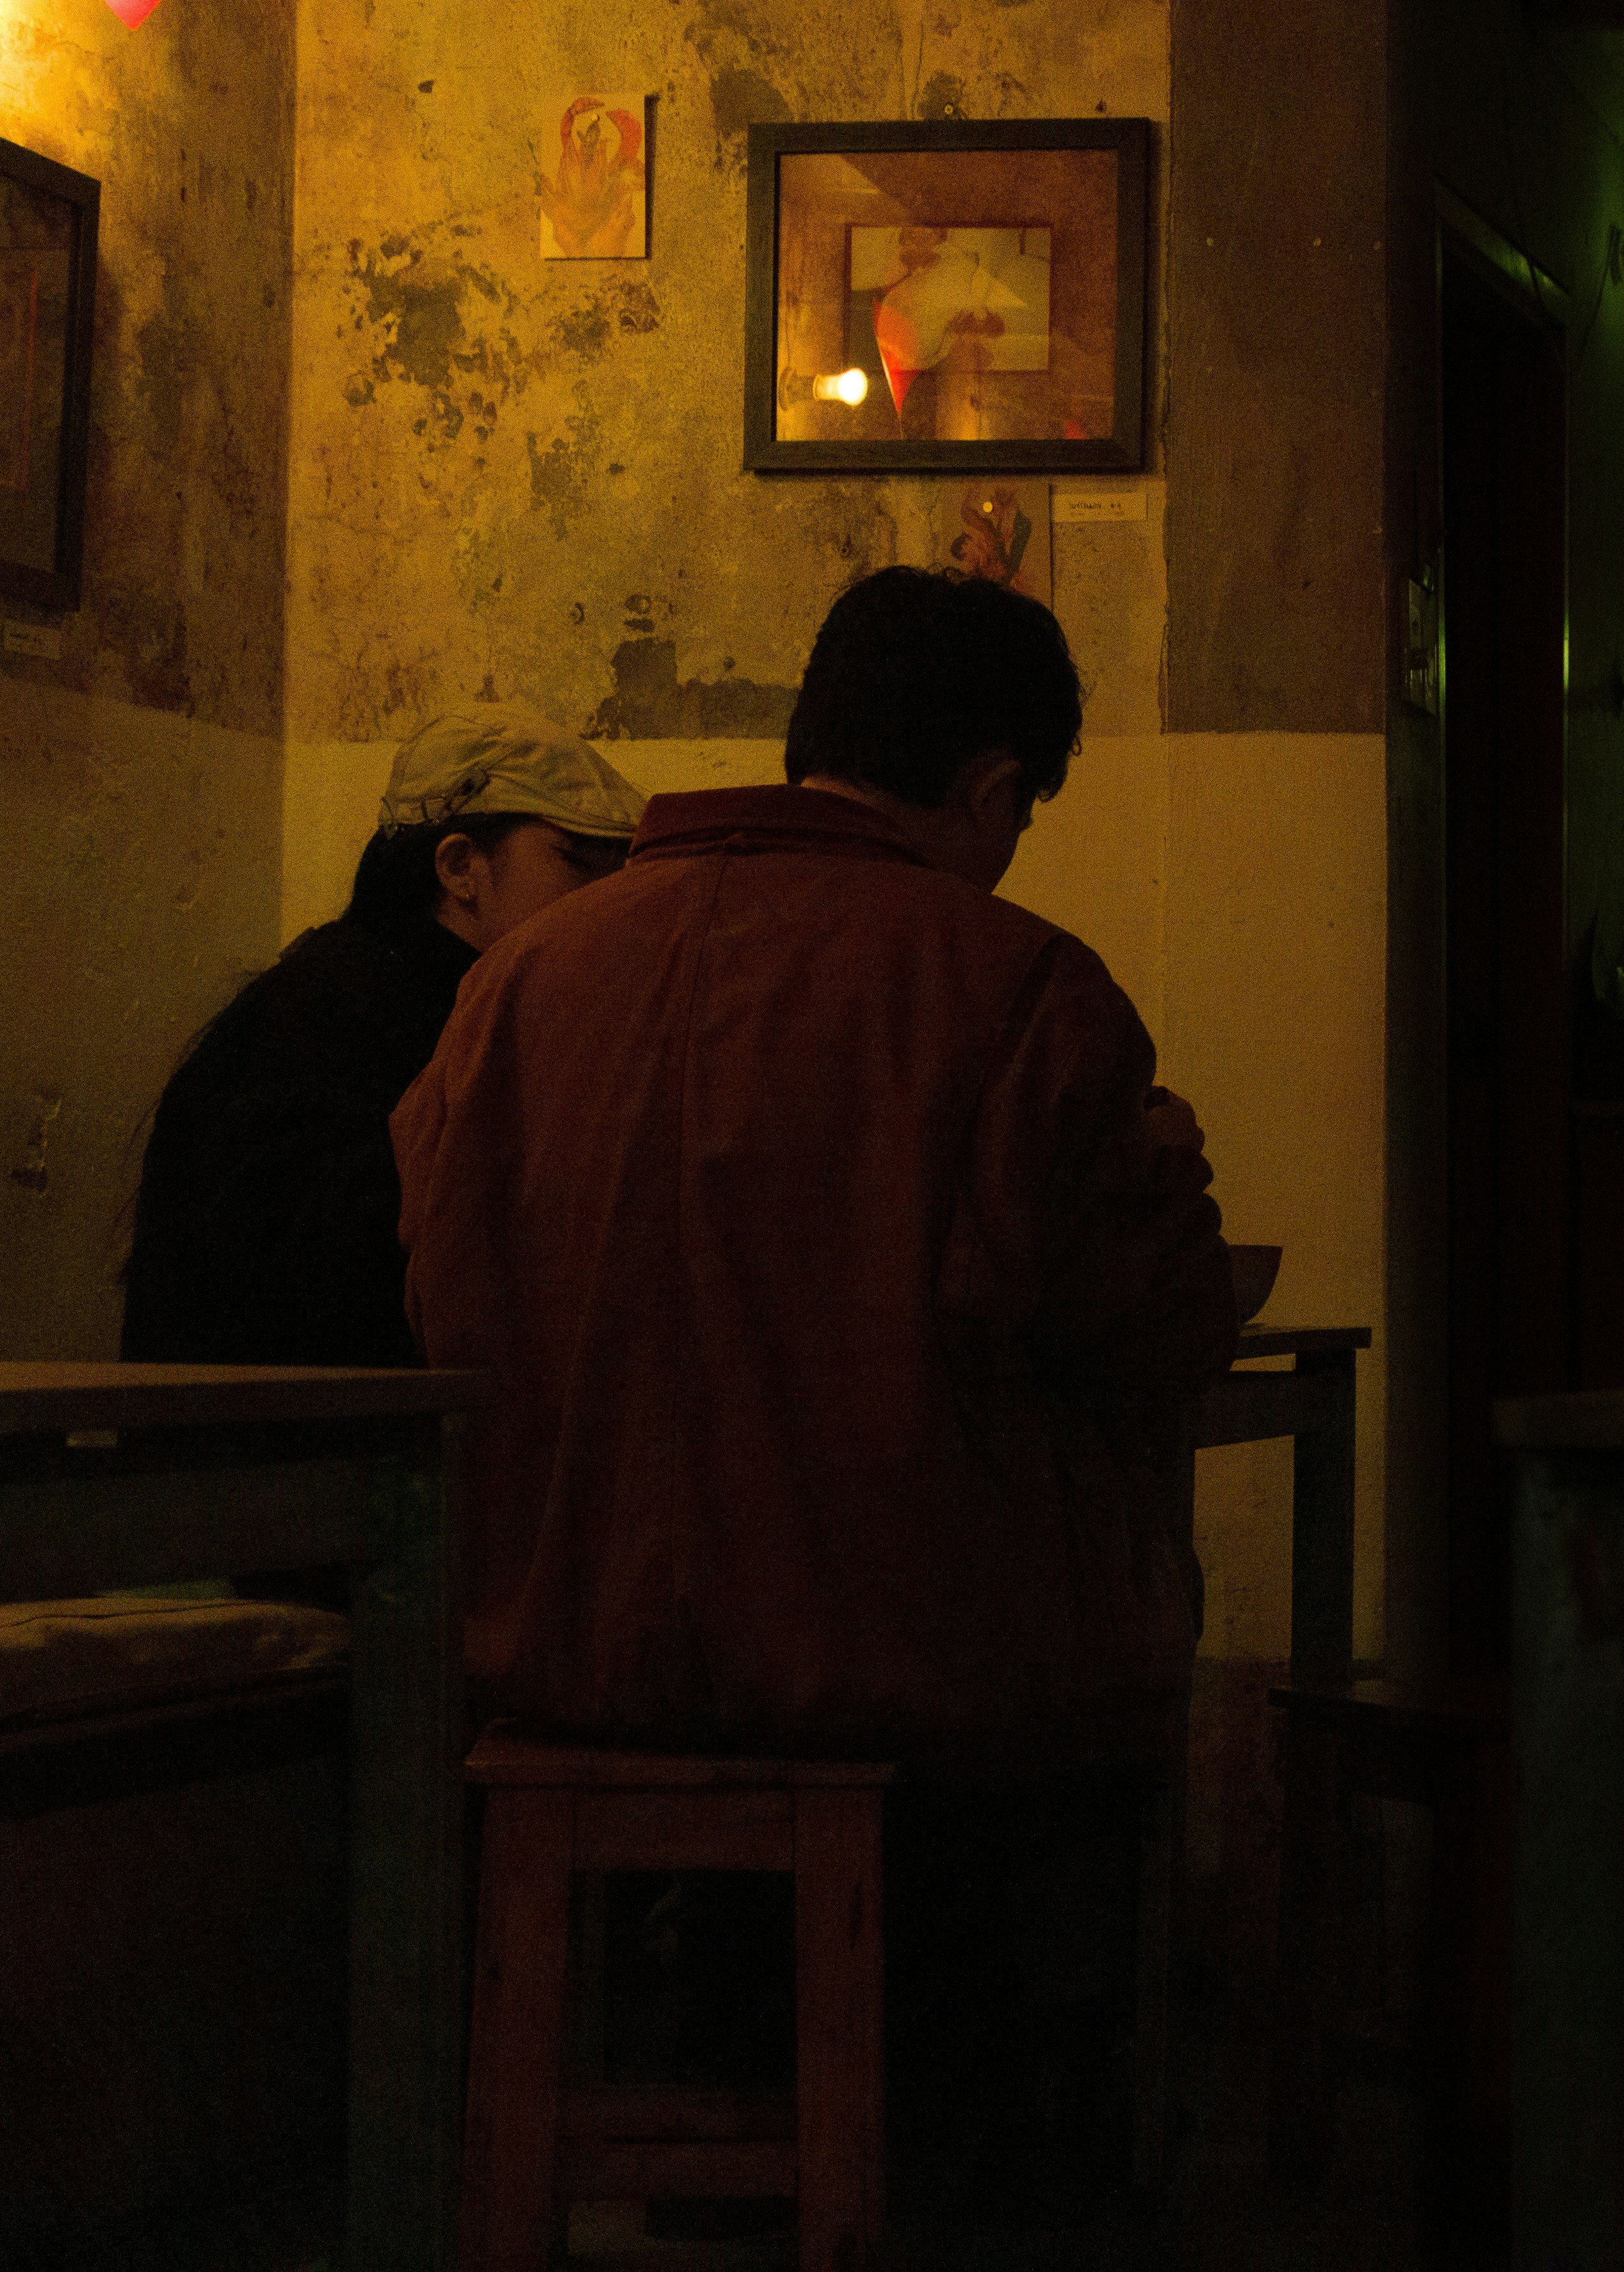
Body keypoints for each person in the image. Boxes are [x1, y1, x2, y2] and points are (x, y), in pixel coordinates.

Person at [394, 564, 1236, 2216]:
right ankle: (965, 2189)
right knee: (1049, 1746)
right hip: (911, 1671)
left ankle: (721, 2172)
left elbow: (439, 1301)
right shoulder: (1011, 988)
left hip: (552, 1656)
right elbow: (1162, 1333)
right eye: (1020, 815)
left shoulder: (514, 987)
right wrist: (1163, 1177)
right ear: (991, 787)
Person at [120, 711, 643, 1367]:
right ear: (459, 868)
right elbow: (331, 1281)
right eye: (577, 862)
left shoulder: (405, 995)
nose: (607, 898)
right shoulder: (322, 1013)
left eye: (620, 869)